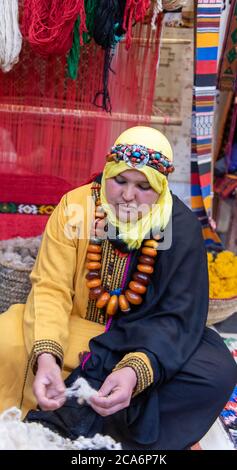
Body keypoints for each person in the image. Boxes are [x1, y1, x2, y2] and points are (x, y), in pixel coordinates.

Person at [0, 126, 236, 450]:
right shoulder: (75, 208)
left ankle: (107, 436)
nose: (128, 196)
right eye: (120, 181)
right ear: (106, 173)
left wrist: (137, 369)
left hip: (144, 338)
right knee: (7, 339)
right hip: (77, 327)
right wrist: (47, 355)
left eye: (143, 186)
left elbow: (179, 315)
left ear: (162, 187)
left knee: (217, 371)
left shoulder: (178, 227)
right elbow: (50, 288)